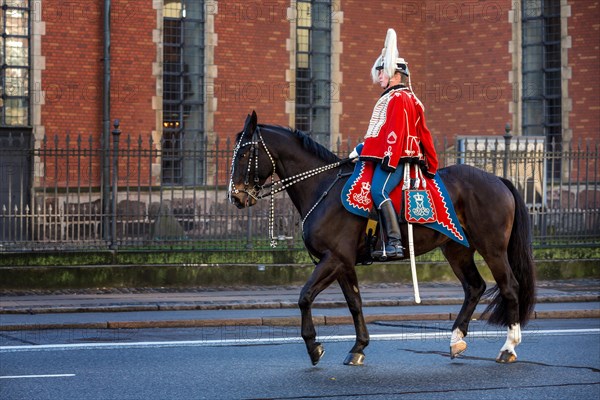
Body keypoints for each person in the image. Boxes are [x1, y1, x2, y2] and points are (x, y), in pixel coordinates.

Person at [350, 28, 438, 261]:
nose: (379, 76)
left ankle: (395, 243)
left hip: (397, 158)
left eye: (382, 71)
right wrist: (362, 150)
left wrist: (389, 159)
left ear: (395, 75)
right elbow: (380, 133)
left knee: (378, 190)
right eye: (378, 71)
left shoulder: (399, 98)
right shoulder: (394, 97)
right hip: (390, 155)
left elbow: (396, 134)